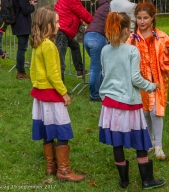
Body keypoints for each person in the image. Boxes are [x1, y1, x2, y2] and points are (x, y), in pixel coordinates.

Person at [99, 12, 164, 190]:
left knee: (117, 142)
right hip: (129, 103)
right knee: (140, 141)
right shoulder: (131, 50)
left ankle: (124, 181)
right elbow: (136, 78)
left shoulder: (105, 50)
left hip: (110, 104)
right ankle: (147, 180)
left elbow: (105, 73)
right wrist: (151, 86)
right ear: (126, 30)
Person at [30, 6, 85, 182]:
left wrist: (37, 85)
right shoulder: (49, 46)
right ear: (47, 25)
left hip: (40, 95)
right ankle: (63, 170)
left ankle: (51, 166)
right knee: (62, 130)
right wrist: (64, 93)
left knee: (47, 128)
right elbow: (54, 75)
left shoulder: (36, 44)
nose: (59, 25)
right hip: (52, 95)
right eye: (57, 22)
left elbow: (32, 70)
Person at [127, 2, 169, 160]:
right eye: (139, 18)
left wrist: (168, 53)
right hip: (139, 81)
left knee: (156, 112)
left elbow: (168, 64)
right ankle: (149, 142)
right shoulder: (132, 38)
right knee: (145, 112)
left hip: (157, 81)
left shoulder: (161, 37)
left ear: (152, 18)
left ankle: (159, 146)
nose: (142, 21)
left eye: (146, 18)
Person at [54, 0, 93, 81]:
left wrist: (80, 22)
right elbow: (83, 13)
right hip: (62, 31)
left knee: (75, 46)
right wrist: (95, 23)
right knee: (60, 61)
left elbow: (73, 12)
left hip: (63, 30)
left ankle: (80, 70)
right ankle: (60, 90)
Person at [84, 0, 111, 102]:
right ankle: (95, 95)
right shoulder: (113, 5)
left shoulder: (102, 5)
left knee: (97, 67)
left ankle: (101, 90)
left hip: (87, 36)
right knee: (96, 68)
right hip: (98, 36)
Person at [11, 0, 36, 80]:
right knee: (22, 49)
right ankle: (21, 72)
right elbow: (26, 10)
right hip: (22, 25)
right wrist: (32, 5)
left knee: (21, 49)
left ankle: (19, 67)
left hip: (19, 24)